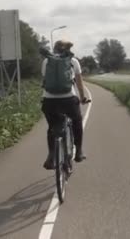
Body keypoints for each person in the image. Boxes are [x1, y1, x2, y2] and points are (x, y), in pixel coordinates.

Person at [41, 39, 90, 170]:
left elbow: (45, 81)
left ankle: (51, 156)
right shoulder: (73, 61)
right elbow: (79, 83)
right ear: (67, 49)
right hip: (68, 100)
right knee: (77, 120)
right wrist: (82, 97)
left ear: (55, 49)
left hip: (49, 101)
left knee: (52, 127)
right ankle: (79, 151)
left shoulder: (46, 61)